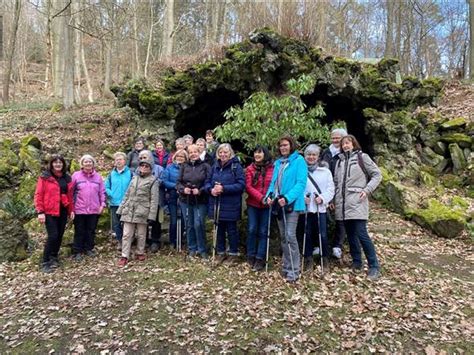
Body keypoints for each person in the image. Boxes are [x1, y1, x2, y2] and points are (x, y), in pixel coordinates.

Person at [333, 134, 382, 280]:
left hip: (357, 201)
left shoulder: (362, 157)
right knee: (351, 234)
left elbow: (377, 175)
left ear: (354, 144)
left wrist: (367, 190)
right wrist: (334, 200)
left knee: (361, 234)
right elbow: (336, 183)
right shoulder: (339, 162)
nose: (345, 146)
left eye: (348, 143)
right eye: (343, 144)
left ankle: (374, 266)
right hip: (342, 204)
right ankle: (356, 262)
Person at [266, 135, 307, 283]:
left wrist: (288, 198)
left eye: (286, 145)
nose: (283, 148)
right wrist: (269, 196)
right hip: (278, 203)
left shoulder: (299, 161)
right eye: (281, 145)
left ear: (291, 146)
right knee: (283, 236)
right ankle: (286, 266)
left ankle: (294, 270)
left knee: (290, 235)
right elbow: (273, 183)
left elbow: (301, 183)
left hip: (292, 205)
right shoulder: (278, 163)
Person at [34, 154, 75, 273]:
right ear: (51, 164)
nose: (58, 164)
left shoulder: (67, 178)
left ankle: (54, 257)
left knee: (60, 235)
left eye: (60, 163)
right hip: (49, 211)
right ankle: (45, 261)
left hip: (62, 210)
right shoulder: (45, 177)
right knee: (53, 235)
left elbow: (70, 196)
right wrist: (40, 211)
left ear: (63, 164)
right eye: (55, 162)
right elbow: (38, 194)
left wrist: (71, 210)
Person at [117, 154, 159, 267]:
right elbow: (127, 194)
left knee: (141, 234)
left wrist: (152, 216)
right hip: (129, 209)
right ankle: (124, 255)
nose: (144, 168)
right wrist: (120, 209)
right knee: (126, 234)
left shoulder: (153, 180)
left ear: (150, 168)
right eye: (142, 166)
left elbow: (154, 200)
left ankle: (140, 252)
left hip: (143, 210)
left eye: (147, 166)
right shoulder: (134, 178)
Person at [297, 144, 334, 272]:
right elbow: (297, 186)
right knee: (306, 234)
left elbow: (331, 189)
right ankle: (308, 259)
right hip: (305, 209)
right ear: (305, 156)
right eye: (309, 155)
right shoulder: (300, 170)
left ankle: (325, 258)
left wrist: (323, 198)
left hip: (320, 208)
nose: (311, 157)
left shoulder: (325, 171)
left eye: (314, 155)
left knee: (322, 235)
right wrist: (302, 198)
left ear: (318, 157)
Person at [206, 143, 245, 264]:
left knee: (231, 230)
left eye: (225, 152)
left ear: (230, 153)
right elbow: (207, 181)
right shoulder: (215, 166)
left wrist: (224, 188)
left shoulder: (236, 167)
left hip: (231, 204)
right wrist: (210, 190)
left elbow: (241, 185)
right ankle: (221, 252)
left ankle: (233, 253)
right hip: (217, 202)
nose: (223, 155)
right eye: (220, 152)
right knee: (219, 229)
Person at [176, 144, 210, 258]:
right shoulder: (184, 166)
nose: (193, 154)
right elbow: (178, 182)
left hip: (200, 200)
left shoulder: (205, 166)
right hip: (186, 199)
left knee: (198, 224)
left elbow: (209, 182)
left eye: (195, 151)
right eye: (190, 152)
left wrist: (200, 190)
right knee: (189, 224)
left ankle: (202, 249)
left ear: (199, 152)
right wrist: (183, 189)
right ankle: (192, 248)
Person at [71, 154, 106, 261]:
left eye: (90, 161)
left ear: (93, 163)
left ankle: (89, 248)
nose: (88, 163)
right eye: (86, 162)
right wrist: (71, 208)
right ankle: (77, 251)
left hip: (94, 209)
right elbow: (71, 192)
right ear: (82, 164)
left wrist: (102, 204)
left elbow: (102, 192)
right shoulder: (76, 175)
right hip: (79, 209)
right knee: (79, 230)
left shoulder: (98, 177)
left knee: (91, 230)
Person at [245, 145, 274, 271]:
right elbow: (248, 187)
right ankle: (250, 254)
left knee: (263, 231)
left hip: (267, 205)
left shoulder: (273, 168)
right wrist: (261, 197)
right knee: (252, 229)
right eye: (255, 153)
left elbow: (274, 185)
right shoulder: (250, 169)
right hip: (253, 204)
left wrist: (269, 197)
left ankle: (260, 257)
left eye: (260, 153)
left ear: (265, 154)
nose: (257, 155)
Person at [321, 128, 347, 260]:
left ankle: (337, 246)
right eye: (333, 138)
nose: (335, 140)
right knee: (323, 217)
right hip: (325, 188)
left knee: (340, 218)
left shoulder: (345, 153)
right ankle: (320, 245)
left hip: (340, 189)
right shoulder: (326, 152)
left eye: (338, 138)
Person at [105, 152, 132, 251]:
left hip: (127, 203)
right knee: (116, 224)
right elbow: (106, 186)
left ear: (125, 161)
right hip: (114, 203)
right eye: (117, 160)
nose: (118, 161)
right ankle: (120, 241)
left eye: (120, 159)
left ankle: (127, 241)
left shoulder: (130, 173)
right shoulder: (111, 174)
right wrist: (111, 194)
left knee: (126, 224)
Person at [138, 150, 164, 253]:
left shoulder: (159, 169)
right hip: (143, 200)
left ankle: (155, 241)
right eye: (141, 158)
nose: (143, 160)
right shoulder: (138, 170)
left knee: (156, 221)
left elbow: (163, 181)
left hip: (156, 199)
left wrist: (152, 181)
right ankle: (144, 240)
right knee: (143, 222)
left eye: (145, 157)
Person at [162, 149, 188, 249]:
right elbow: (165, 181)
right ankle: (172, 241)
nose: (180, 158)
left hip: (184, 196)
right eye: (178, 156)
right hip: (172, 196)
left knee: (182, 219)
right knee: (173, 220)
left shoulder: (187, 168)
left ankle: (180, 240)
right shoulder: (169, 167)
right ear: (175, 157)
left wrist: (182, 188)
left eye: (182, 156)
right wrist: (176, 186)